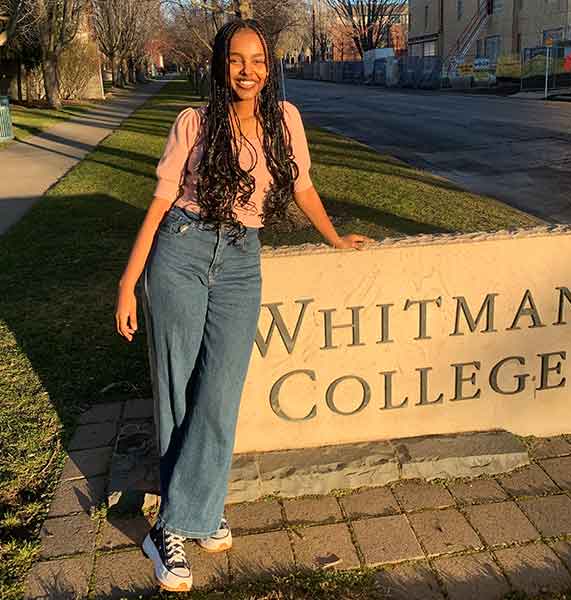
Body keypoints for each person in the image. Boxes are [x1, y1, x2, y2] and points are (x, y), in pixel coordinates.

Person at [114, 18, 373, 593]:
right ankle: (175, 529)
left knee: (220, 390)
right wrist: (128, 283)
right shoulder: (195, 123)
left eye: (257, 60)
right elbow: (158, 205)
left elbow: (301, 186)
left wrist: (332, 237)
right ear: (220, 65)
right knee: (178, 388)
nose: (248, 71)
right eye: (236, 60)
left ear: (270, 66)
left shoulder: (285, 122)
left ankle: (189, 511)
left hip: (239, 259)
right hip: (180, 250)